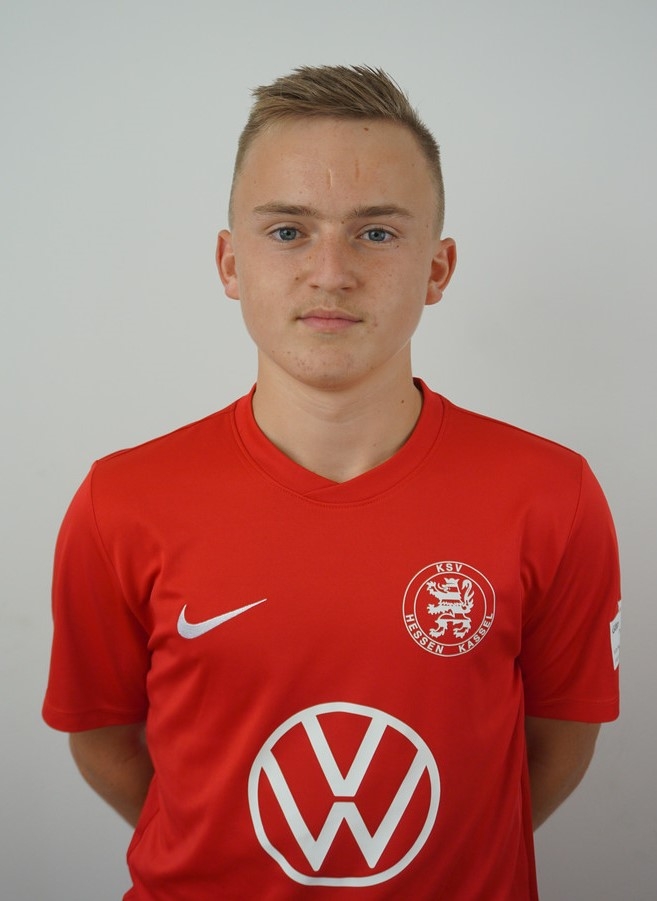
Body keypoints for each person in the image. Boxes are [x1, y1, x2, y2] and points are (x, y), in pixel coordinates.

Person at [43, 65, 621, 900]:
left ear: (438, 269)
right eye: (287, 230)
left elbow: (556, 743)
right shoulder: (121, 500)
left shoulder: (551, 493)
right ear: (229, 262)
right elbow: (104, 739)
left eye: (375, 233)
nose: (329, 271)